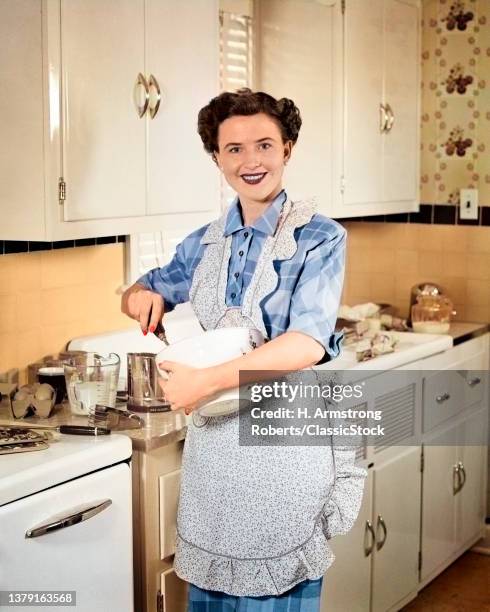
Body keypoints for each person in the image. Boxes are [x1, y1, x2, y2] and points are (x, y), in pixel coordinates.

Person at [121, 88, 367, 611]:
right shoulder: (204, 243)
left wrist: (205, 380)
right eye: (233, 149)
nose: (250, 161)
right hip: (215, 453)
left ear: (287, 149)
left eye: (264, 145)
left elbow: (304, 344)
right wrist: (141, 297)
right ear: (217, 158)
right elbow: (144, 287)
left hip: (282, 448)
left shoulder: (319, 238)